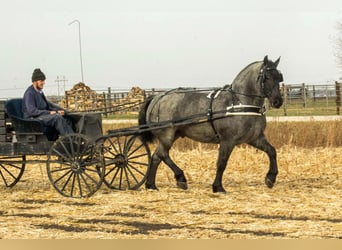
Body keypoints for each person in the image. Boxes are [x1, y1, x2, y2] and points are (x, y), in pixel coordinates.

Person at [22, 68, 74, 137]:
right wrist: (48, 113)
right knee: (57, 118)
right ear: (35, 82)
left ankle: (68, 139)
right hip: (33, 119)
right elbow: (32, 111)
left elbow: (47, 107)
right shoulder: (30, 93)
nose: (43, 83)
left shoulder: (39, 92)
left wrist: (57, 111)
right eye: (41, 81)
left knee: (66, 118)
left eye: (43, 81)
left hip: (41, 116)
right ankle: (71, 140)